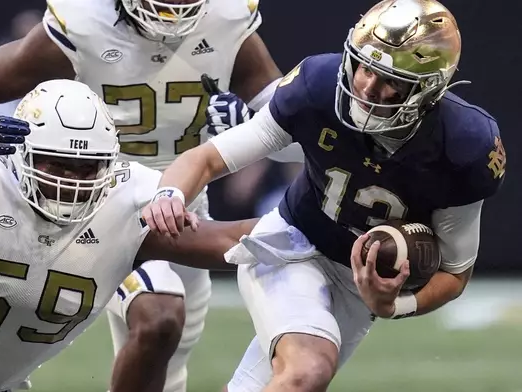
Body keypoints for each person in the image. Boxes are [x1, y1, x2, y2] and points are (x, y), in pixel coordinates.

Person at [141, 0, 506, 391]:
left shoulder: (464, 146)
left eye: (391, 81)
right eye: (365, 66)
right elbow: (209, 158)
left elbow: (454, 271)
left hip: (357, 285)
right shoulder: (319, 84)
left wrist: (395, 305)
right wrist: (169, 192)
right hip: (293, 244)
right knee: (306, 372)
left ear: (429, 89)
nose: (366, 87)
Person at [0, 0, 303, 390]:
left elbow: (288, 120)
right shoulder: (84, 24)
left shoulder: (227, 17)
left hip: (183, 206)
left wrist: (253, 125)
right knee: (160, 315)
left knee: (169, 364)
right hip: (99, 204)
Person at [0, 79, 256, 392]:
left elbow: (227, 243)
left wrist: (300, 224)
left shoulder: (126, 201)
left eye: (86, 168)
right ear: (23, 155)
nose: (71, 180)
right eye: (57, 163)